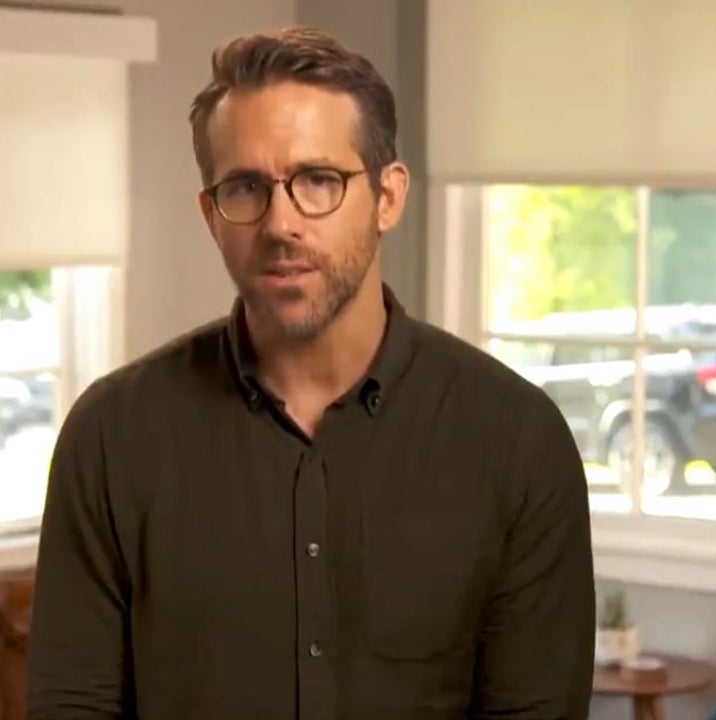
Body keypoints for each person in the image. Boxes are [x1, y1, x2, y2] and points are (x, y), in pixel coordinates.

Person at [27, 27, 595, 720]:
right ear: (211, 216)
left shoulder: (517, 442)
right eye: (245, 188)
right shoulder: (111, 437)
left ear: (388, 196)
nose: (281, 223)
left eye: (319, 181)